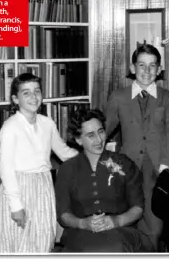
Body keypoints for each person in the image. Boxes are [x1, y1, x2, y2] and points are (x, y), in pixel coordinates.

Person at [0, 73, 78, 253]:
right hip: (19, 190)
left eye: (37, 91)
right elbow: (5, 169)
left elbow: (63, 152)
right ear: (15, 99)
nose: (33, 97)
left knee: (41, 241)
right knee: (16, 242)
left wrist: (88, 156)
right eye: (26, 93)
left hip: (43, 188)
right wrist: (16, 206)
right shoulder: (10, 127)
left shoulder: (47, 124)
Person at [105, 44, 169, 250]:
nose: (147, 71)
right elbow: (104, 129)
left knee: (154, 225)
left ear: (159, 69)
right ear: (132, 68)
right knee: (128, 222)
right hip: (127, 169)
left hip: (157, 170)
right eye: (142, 65)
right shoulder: (118, 96)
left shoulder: (168, 97)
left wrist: (166, 164)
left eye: (152, 66)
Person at [54, 108, 153, 252]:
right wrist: (83, 223)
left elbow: (138, 207)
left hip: (121, 230)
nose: (99, 139)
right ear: (78, 139)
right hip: (80, 233)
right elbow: (63, 214)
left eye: (101, 131)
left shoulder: (124, 163)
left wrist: (116, 221)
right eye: (91, 135)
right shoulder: (67, 169)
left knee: (116, 248)